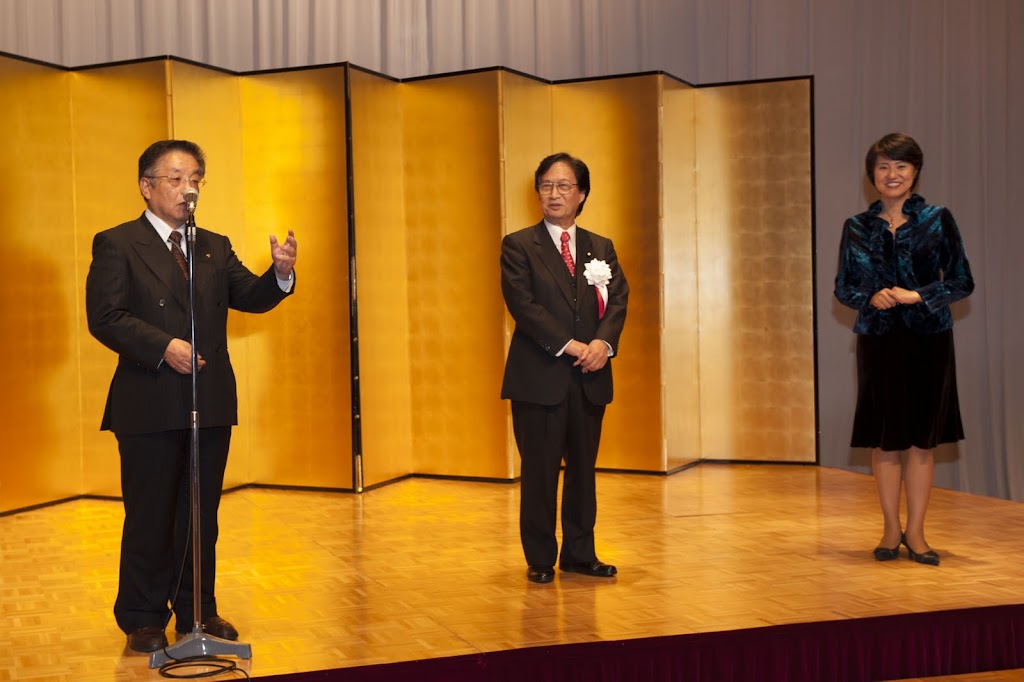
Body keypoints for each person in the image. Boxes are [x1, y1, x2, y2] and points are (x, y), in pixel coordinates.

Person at [86, 140, 297, 652]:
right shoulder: (117, 243)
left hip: (210, 400)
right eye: (176, 179)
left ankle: (197, 610)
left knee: (201, 514)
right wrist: (163, 347)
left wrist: (280, 274)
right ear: (147, 186)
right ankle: (142, 616)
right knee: (151, 513)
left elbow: (250, 297)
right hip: (149, 400)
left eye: (196, 179)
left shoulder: (213, 245)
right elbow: (105, 317)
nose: (188, 190)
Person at [834, 132, 973, 566]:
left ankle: (917, 533)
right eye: (883, 167)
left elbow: (962, 280)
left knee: (921, 442)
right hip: (878, 341)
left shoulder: (938, 219)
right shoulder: (856, 227)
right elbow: (843, 287)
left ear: (915, 172)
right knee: (885, 440)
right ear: (871, 174)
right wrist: (869, 297)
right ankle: (890, 530)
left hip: (929, 339)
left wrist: (920, 295)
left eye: (900, 166)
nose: (891, 174)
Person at [500, 152, 629, 584]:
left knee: (583, 471)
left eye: (563, 186)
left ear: (582, 194)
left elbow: (618, 300)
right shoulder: (519, 245)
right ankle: (540, 557)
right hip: (539, 378)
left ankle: (580, 554)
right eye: (546, 186)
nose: (553, 194)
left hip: (590, 376)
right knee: (540, 472)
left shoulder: (600, 247)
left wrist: (602, 345)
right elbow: (524, 306)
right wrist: (571, 345)